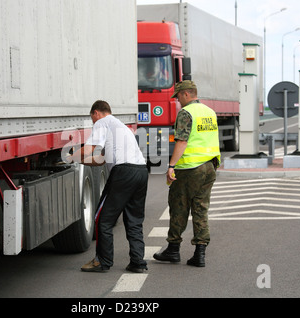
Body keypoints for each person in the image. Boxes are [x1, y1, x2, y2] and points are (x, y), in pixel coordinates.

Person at [68, 100, 149, 273]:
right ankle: (137, 262)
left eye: (92, 119)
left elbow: (88, 150)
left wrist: (69, 157)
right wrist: (79, 160)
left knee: (102, 219)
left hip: (123, 173)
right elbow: (100, 160)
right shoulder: (121, 127)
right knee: (134, 220)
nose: (93, 123)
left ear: (96, 113)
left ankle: (102, 261)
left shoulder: (102, 122)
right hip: (141, 171)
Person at [153, 80, 220, 267]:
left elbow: (182, 142)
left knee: (178, 207)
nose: (177, 101)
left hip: (189, 168)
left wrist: (171, 165)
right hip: (209, 167)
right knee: (200, 209)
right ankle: (200, 254)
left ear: (186, 94)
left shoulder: (186, 113)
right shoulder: (209, 112)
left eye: (178, 97)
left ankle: (173, 249)